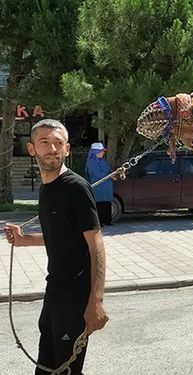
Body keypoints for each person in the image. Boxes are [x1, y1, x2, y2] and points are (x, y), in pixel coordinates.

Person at [3, 119, 108, 374]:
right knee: (46, 368)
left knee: (66, 369)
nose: (52, 149)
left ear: (67, 149)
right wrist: (24, 239)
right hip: (55, 292)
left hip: (75, 298)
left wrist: (96, 301)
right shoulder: (47, 187)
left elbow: (96, 244)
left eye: (58, 143)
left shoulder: (76, 188)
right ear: (32, 149)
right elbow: (61, 235)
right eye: (44, 142)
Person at [86, 142, 114, 226]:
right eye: (101, 151)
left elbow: (109, 170)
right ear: (95, 152)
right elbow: (97, 174)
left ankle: (108, 220)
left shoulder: (103, 161)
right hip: (99, 186)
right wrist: (109, 176)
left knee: (107, 202)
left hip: (107, 185)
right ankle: (100, 221)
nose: (103, 152)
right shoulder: (92, 162)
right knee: (100, 203)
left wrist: (112, 174)